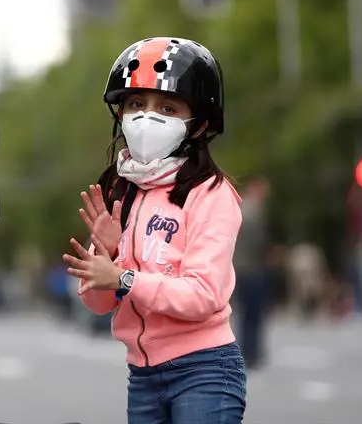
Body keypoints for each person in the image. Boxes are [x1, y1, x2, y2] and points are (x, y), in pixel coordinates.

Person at [62, 37, 246, 424]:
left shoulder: (210, 194)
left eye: (167, 107)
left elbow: (204, 295)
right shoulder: (122, 191)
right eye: (135, 105)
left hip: (204, 373)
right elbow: (98, 305)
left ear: (200, 124)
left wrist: (124, 277)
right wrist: (108, 256)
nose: (147, 117)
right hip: (143, 377)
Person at [232, 177, 272, 369]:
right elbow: (258, 244)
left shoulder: (241, 209)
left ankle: (245, 351)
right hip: (252, 269)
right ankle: (252, 353)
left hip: (240, 267)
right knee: (254, 314)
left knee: (245, 314)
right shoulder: (254, 213)